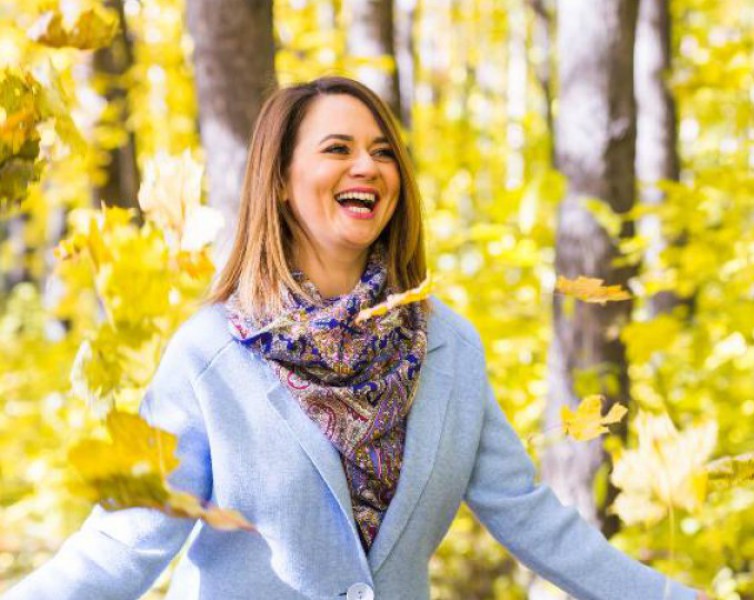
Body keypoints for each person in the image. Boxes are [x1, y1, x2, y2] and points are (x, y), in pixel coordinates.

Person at [4, 76, 706, 600]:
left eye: (382, 152)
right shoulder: (209, 355)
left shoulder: (447, 349)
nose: (367, 166)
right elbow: (123, 542)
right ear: (280, 182)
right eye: (337, 149)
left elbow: (530, 517)